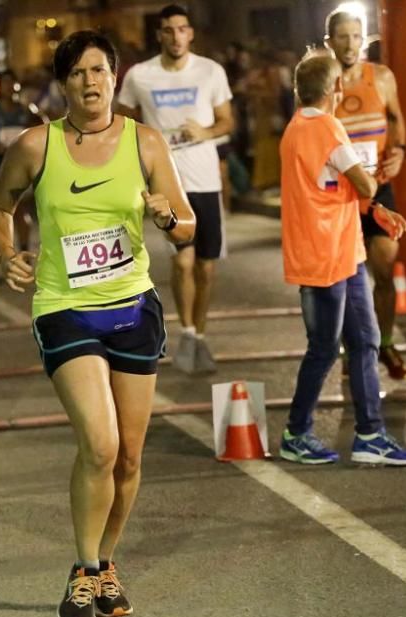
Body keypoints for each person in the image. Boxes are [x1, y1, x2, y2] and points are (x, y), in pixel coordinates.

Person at [0, 31, 195, 617]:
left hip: (133, 307)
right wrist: (7, 252)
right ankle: (82, 569)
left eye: (100, 70)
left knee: (128, 458)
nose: (91, 81)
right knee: (99, 445)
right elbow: (0, 205)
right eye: (77, 73)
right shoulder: (35, 145)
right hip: (65, 308)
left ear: (115, 77)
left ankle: (106, 561)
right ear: (63, 83)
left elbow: (187, 227)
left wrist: (167, 217)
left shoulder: (145, 142)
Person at [278, 55, 406, 468]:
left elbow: (334, 186)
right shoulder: (325, 126)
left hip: (342, 251)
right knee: (325, 348)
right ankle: (296, 432)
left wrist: (374, 210)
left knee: (364, 342)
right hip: (327, 255)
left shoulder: (294, 130)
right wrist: (373, 185)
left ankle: (370, 434)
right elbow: (363, 180)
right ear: (333, 90)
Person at [116, 4, 234, 375]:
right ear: (159, 35)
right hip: (168, 184)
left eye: (182, 29)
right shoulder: (140, 76)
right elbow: (121, 120)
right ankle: (186, 332)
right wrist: (140, 153)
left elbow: (228, 121)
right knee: (182, 263)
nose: (176, 36)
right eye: (168, 30)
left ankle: (200, 334)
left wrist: (206, 132)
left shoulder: (210, 71)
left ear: (191, 33)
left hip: (206, 182)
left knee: (206, 268)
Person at [326, 9, 406, 379]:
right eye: (342, 37)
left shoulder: (381, 77)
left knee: (386, 267)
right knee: (346, 277)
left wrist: (400, 152)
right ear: (330, 42)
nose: (350, 44)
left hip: (378, 188)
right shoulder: (323, 82)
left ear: (364, 40)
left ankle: (386, 343)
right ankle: (350, 350)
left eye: (356, 36)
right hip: (341, 195)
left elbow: (394, 117)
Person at [0, 70, 47, 251]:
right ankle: (7, 250)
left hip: (21, 165)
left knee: (21, 208)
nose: (10, 87)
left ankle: (23, 247)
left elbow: (45, 127)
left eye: (13, 82)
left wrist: (31, 144)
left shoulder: (26, 109)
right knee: (2, 210)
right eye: (6, 83)